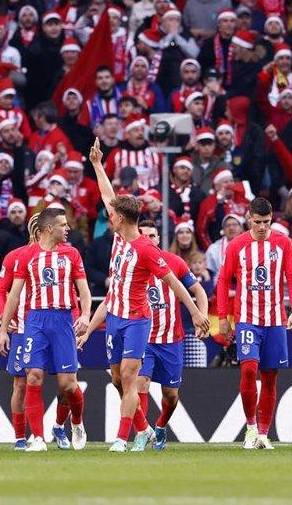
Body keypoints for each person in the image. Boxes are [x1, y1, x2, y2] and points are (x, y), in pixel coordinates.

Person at [80, 138, 209, 453]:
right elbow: (108, 194)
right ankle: (145, 429)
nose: (111, 215)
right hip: (115, 317)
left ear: (119, 220)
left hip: (138, 319)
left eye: (114, 215)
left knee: (130, 375)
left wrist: (194, 311)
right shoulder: (120, 235)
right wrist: (97, 163)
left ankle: (122, 439)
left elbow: (176, 283)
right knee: (117, 379)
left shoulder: (146, 248)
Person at [0, 208, 91, 453]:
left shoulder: (71, 254)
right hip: (36, 320)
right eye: (63, 224)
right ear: (49, 228)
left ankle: (77, 422)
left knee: (68, 385)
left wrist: (84, 314)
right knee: (32, 376)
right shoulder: (27, 255)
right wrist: (2, 330)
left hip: (62, 320)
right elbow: (13, 295)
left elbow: (83, 289)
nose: (67, 228)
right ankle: (38, 438)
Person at [216, 197, 292, 450]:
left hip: (275, 320)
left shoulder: (283, 243)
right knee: (249, 370)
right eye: (258, 222)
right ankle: (250, 427)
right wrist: (222, 318)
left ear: (272, 218)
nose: (263, 227)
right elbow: (223, 282)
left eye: (267, 222)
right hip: (247, 320)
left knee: (270, 376)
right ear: (248, 219)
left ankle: (264, 434)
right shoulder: (237, 245)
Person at [132, 219, 208, 450]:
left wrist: (201, 316)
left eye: (152, 236)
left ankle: (161, 426)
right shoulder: (131, 263)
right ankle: (141, 434)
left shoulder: (174, 262)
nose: (148, 239)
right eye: (142, 235)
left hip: (171, 341)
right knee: (140, 384)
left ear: (158, 239)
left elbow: (198, 291)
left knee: (171, 396)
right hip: (144, 338)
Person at [0, 214, 39, 450]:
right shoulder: (15, 257)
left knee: (67, 383)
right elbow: (0, 290)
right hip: (23, 328)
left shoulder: (63, 256)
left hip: (54, 328)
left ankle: (61, 427)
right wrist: (5, 316)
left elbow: (72, 294)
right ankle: (20, 437)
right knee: (21, 384)